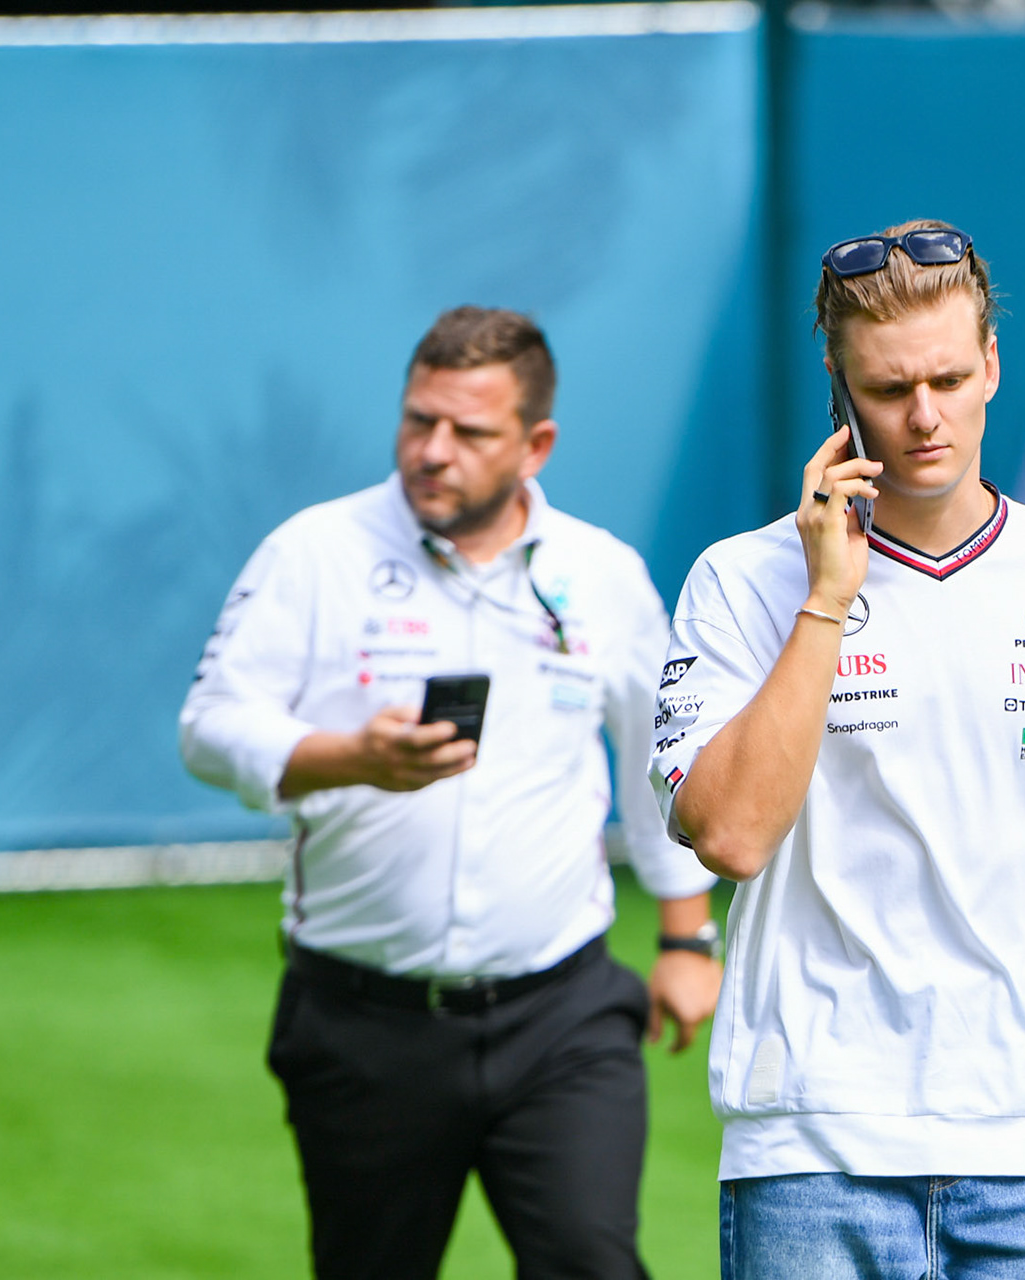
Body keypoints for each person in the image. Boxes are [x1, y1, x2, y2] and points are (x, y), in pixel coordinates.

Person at [648, 221, 1025, 1278]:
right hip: (809, 1146)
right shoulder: (739, 583)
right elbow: (730, 834)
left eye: (949, 378)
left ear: (993, 366)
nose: (925, 416)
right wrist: (827, 597)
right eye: (888, 388)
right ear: (836, 381)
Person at [179, 306, 722, 1280]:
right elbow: (211, 726)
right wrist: (346, 755)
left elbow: (661, 757)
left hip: (562, 1009)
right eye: (418, 420)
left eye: (468, 432)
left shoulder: (600, 572)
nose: (434, 451)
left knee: (595, 1260)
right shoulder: (314, 551)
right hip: (362, 1020)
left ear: (535, 443)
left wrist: (687, 934)